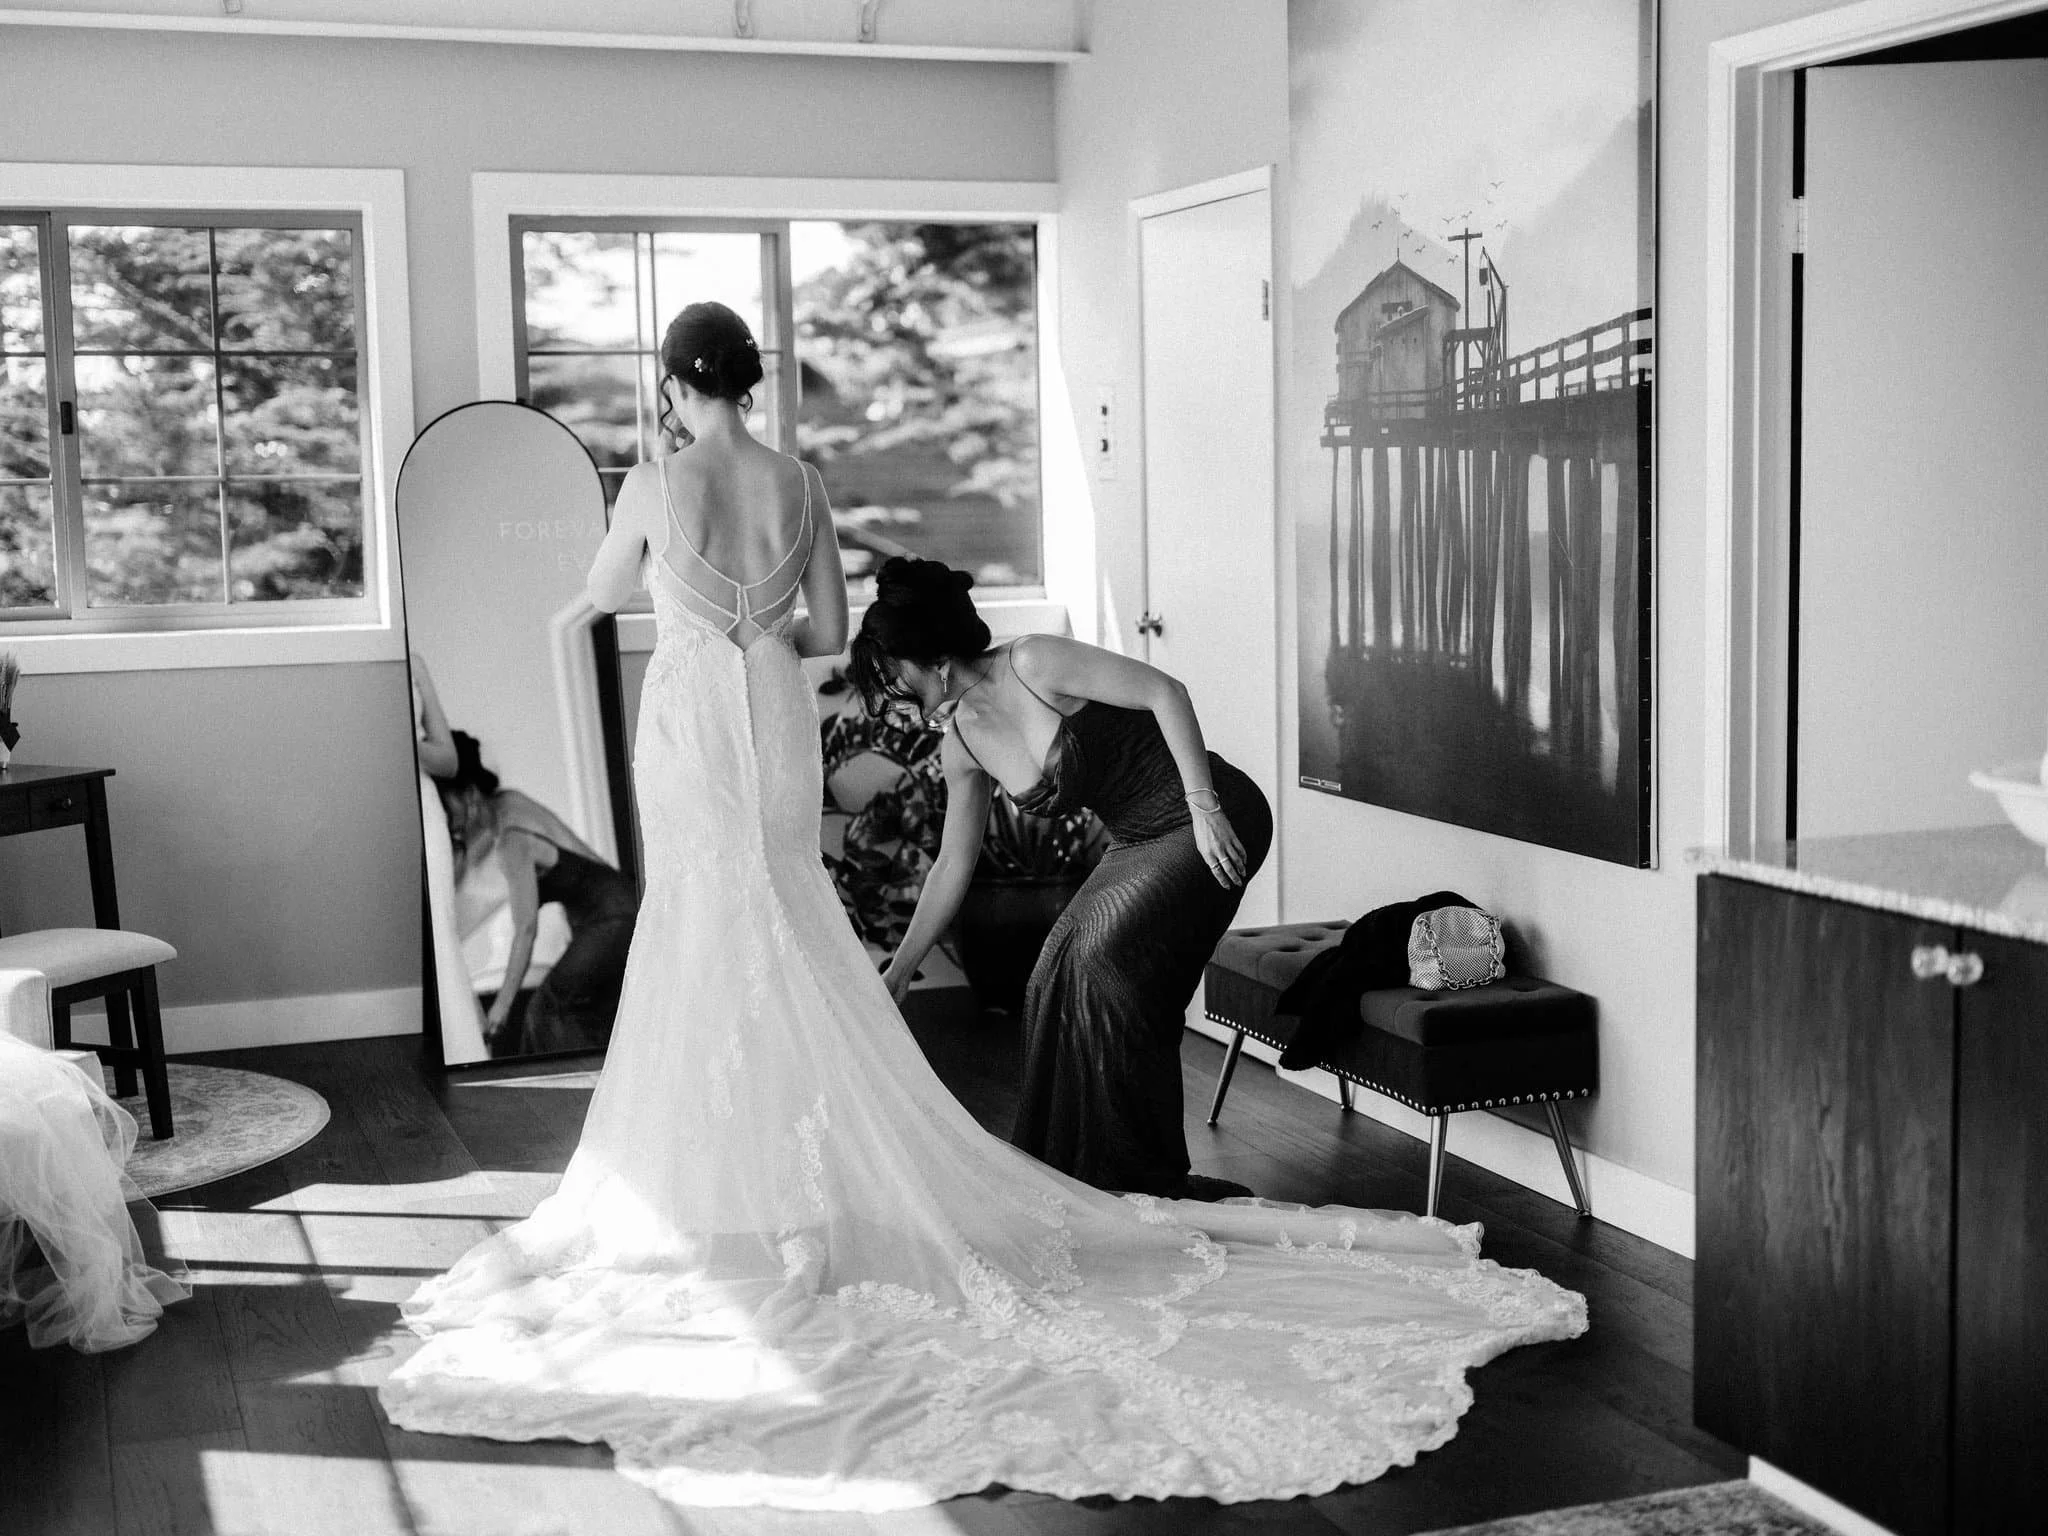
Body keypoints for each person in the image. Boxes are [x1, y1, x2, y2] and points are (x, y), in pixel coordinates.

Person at [376, 300, 1585, 1512]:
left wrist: (653, 595)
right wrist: (760, 618)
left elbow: (595, 596)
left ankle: (724, 1199)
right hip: (773, 716)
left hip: (694, 719)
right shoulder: (797, 483)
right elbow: (831, 633)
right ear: (748, 379)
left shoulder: (650, 480)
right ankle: (831, 1179)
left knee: (702, 929)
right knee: (781, 915)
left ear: (673, 385)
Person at [856, 560, 1271, 1200]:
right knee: (1055, 970)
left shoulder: (1034, 661)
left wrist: (1205, 806)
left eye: (892, 676)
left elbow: (1168, 692)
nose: (889, 694)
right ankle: (1093, 1180)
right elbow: (952, 862)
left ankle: (1147, 1180)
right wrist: (902, 967)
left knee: (1104, 960)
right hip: (1138, 839)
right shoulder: (961, 744)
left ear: (933, 658)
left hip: (1208, 813)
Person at [433, 731, 638, 1056]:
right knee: (595, 1018)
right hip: (614, 906)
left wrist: (500, 1008)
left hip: (613, 914)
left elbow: (526, 930)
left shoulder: (511, 840)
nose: (449, 823)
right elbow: (472, 856)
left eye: (447, 810)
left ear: (470, 795)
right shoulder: (507, 806)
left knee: (544, 1010)